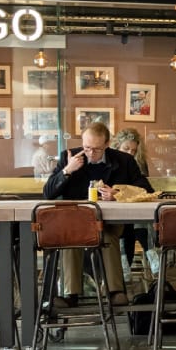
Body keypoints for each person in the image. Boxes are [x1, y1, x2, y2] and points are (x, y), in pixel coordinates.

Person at [43, 122, 154, 306]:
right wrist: (67, 171)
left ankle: (115, 292)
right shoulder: (68, 157)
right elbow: (48, 193)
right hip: (76, 222)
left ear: (107, 145)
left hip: (111, 222)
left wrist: (119, 193)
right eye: (87, 148)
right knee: (71, 237)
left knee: (107, 234)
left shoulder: (124, 161)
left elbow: (146, 190)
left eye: (96, 149)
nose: (91, 153)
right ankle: (71, 294)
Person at [111, 128, 151, 272]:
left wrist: (120, 192)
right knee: (133, 227)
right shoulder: (110, 163)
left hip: (132, 213)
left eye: (134, 151)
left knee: (139, 224)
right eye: (126, 149)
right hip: (114, 214)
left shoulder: (139, 163)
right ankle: (152, 256)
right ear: (116, 147)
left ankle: (126, 268)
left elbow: (146, 189)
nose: (130, 154)